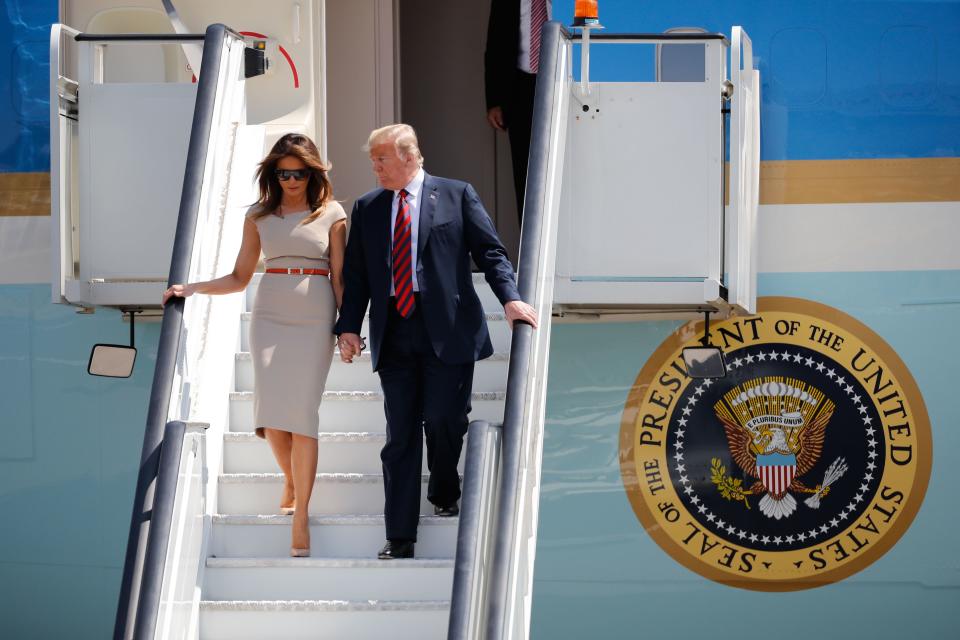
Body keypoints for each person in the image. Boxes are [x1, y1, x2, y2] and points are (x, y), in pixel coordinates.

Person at [335, 124, 538, 560]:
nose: (375, 167)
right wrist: (348, 326)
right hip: (394, 331)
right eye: (372, 158)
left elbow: (491, 252)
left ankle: (445, 487)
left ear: (410, 156)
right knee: (401, 436)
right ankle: (400, 536)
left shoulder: (455, 194)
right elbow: (357, 275)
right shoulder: (368, 207)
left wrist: (512, 299)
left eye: (381, 158)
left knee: (445, 421)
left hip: (447, 328)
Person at [163, 133, 347, 558]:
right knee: (271, 418)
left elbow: (340, 277)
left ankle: (301, 511)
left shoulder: (332, 213)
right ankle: (289, 477)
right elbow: (239, 277)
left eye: (299, 173)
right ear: (273, 174)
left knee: (302, 416)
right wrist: (191, 288)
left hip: (315, 314)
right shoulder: (259, 215)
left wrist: (348, 328)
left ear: (313, 172)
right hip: (268, 317)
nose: (291, 180)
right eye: (283, 173)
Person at [484, 0, 552, 220]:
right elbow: (495, 42)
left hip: (562, 80)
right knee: (526, 172)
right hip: (521, 88)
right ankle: (529, 245)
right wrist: (494, 100)